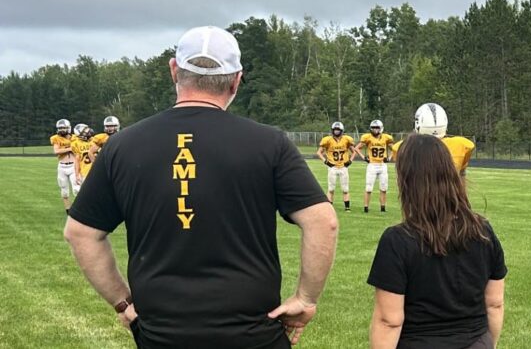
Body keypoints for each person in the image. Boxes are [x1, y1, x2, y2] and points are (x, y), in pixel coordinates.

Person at [63, 26, 339, 348]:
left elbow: (80, 232)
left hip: (162, 334)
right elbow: (324, 221)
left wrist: (123, 303)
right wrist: (305, 299)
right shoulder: (269, 143)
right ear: (236, 79)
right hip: (252, 334)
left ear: (174, 70)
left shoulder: (122, 146)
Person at [368, 134, 506, 348]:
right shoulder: (483, 231)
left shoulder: (397, 241)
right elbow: (494, 304)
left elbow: (389, 321)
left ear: (407, 180)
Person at [393, 103, 476, 177]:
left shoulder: (402, 148)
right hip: (449, 194)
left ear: (418, 124)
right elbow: (461, 175)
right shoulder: (461, 145)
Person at [355, 120, 394, 213]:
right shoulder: (367, 137)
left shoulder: (386, 138)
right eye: (373, 128)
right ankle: (366, 208)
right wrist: (364, 157)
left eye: (377, 128)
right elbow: (357, 148)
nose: (375, 130)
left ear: (381, 128)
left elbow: (395, 148)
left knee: (383, 188)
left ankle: (383, 208)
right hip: (372, 165)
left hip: (382, 165)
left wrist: (389, 158)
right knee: (368, 188)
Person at [317, 121, 357, 211]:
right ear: (332, 130)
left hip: (343, 167)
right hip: (333, 167)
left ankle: (347, 208)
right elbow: (319, 152)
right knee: (331, 189)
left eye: (338, 130)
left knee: (345, 189)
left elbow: (354, 151)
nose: (336, 131)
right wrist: (326, 161)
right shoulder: (327, 140)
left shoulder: (347, 139)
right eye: (335, 130)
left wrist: (350, 160)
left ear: (342, 130)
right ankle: (330, 207)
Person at [51, 119, 76, 212]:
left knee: (77, 189)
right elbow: (56, 151)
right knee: (64, 190)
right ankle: (68, 210)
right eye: (60, 128)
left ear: (68, 128)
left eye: (64, 128)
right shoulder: (56, 138)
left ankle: (78, 209)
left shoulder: (75, 138)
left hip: (73, 165)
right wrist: (70, 148)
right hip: (62, 166)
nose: (62, 130)